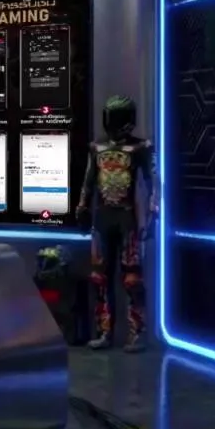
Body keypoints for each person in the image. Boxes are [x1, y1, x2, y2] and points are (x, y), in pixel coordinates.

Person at [77, 95, 158, 353]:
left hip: (126, 219)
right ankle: (105, 332)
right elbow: (89, 180)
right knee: (99, 278)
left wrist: (153, 213)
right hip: (103, 218)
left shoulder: (140, 147)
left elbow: (154, 181)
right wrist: (82, 206)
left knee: (132, 278)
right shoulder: (97, 147)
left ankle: (137, 333)